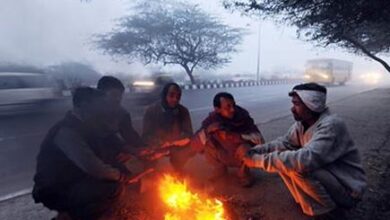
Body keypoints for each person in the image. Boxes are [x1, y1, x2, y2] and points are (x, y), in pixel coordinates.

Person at [237, 83, 367, 218]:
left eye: (297, 104)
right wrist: (255, 151)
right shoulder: (302, 124)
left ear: (312, 105)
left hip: (348, 190)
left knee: (296, 165)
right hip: (331, 178)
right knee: (283, 161)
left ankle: (329, 212)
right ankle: (308, 203)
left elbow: (305, 160)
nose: (292, 109)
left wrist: (256, 161)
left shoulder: (331, 125)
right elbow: (285, 143)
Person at [32, 87, 151, 220]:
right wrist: (121, 177)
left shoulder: (88, 125)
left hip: (74, 179)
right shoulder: (67, 132)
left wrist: (124, 159)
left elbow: (110, 145)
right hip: (55, 188)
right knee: (114, 188)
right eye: (98, 106)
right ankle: (70, 216)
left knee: (119, 179)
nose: (102, 111)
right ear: (84, 105)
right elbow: (92, 166)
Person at [191, 92, 265, 187]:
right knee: (206, 141)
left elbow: (258, 137)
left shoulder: (243, 116)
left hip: (239, 153)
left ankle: (244, 173)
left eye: (233, 105)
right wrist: (208, 131)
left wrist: (240, 137)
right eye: (228, 107)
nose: (232, 109)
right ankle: (220, 169)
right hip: (223, 153)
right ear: (217, 109)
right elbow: (194, 142)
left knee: (246, 148)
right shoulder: (212, 120)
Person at [142, 82, 193, 174]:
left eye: (178, 96)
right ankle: (150, 176)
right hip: (156, 145)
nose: (175, 99)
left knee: (185, 153)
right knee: (147, 158)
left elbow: (189, 134)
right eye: (171, 95)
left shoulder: (183, 111)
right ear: (164, 95)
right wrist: (157, 143)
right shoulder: (152, 110)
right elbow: (146, 135)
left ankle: (178, 171)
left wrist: (173, 142)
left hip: (175, 144)